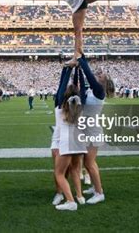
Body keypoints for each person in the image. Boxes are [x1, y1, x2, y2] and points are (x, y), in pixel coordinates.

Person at [76, 54, 113, 204]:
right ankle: (94, 187)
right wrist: (81, 61)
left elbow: (88, 75)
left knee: (89, 163)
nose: (98, 74)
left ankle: (99, 193)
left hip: (93, 131)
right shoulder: (92, 90)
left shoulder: (99, 91)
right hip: (88, 130)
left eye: (100, 75)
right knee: (88, 162)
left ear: (103, 82)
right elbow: (83, 80)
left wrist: (80, 59)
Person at [53, 66, 87, 211]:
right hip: (79, 140)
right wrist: (78, 70)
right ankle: (80, 196)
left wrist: (66, 70)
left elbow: (61, 86)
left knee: (59, 173)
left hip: (66, 141)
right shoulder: (82, 104)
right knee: (75, 169)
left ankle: (70, 201)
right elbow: (82, 89)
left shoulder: (60, 105)